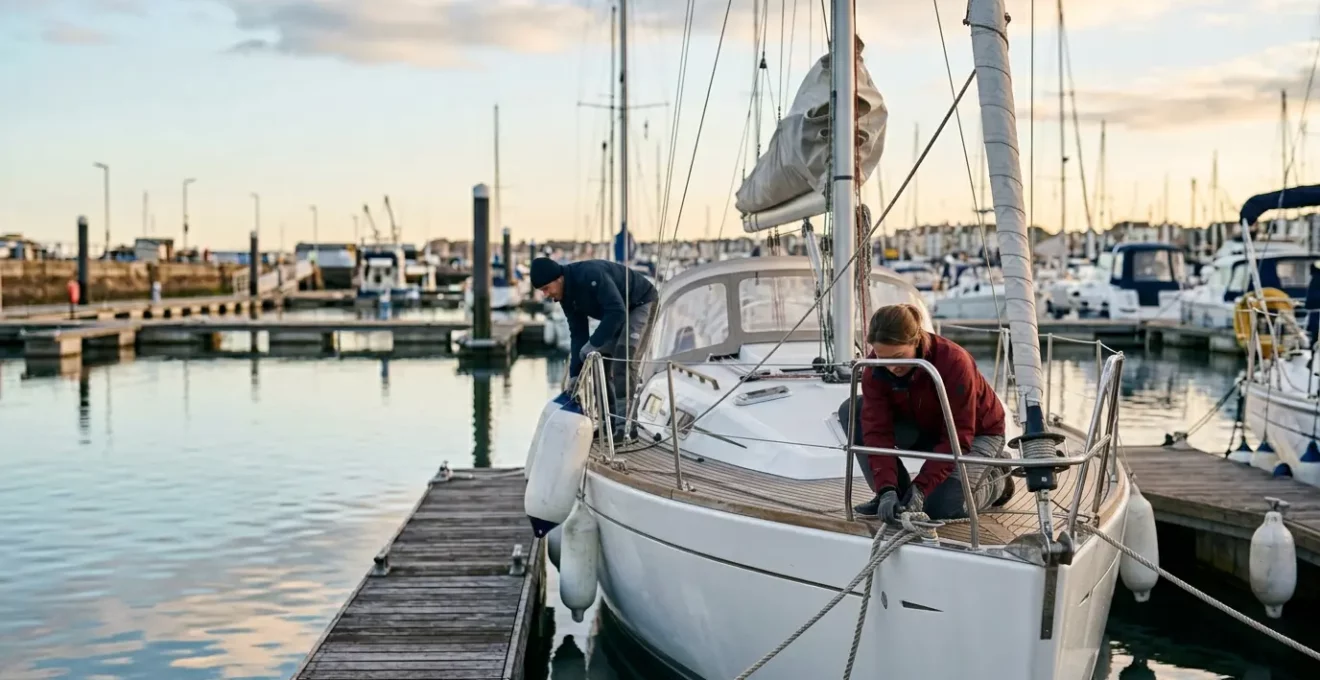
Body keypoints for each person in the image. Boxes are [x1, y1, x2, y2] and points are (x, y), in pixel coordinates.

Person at [842, 303, 1014, 522]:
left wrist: (922, 489)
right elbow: (877, 432)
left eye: (898, 357)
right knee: (852, 410)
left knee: (941, 509)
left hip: (978, 433)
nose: (891, 367)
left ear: (916, 341)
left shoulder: (954, 362)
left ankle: (999, 478)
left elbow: (959, 436)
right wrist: (887, 489)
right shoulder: (876, 366)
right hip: (924, 426)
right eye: (882, 357)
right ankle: (898, 496)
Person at [530, 257, 657, 437]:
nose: (545, 295)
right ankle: (608, 425)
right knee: (601, 360)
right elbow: (578, 335)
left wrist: (593, 344)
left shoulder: (589, 274)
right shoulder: (565, 297)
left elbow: (616, 311)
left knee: (623, 356)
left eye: (546, 288)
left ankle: (626, 427)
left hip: (641, 302)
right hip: (617, 312)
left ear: (558, 279)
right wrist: (575, 375)